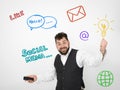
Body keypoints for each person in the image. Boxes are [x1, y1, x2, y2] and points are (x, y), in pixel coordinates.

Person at [24, 32, 107, 90]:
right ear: (56, 46)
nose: (62, 46)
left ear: (68, 42)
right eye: (59, 44)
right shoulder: (56, 58)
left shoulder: (79, 54)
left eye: (64, 42)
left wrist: (102, 49)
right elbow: (51, 75)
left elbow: (94, 62)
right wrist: (36, 78)